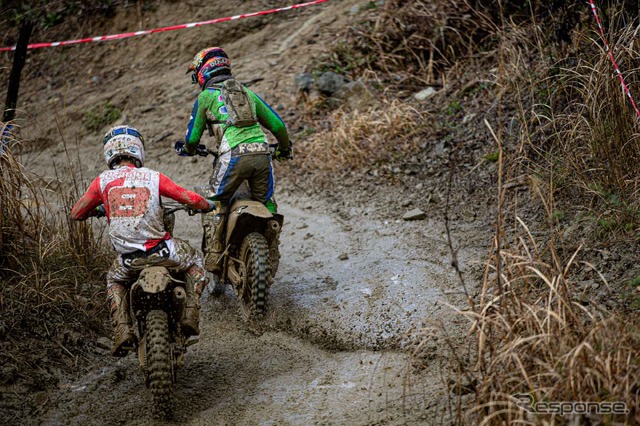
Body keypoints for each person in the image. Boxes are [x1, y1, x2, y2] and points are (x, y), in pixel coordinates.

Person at [71, 125, 214, 357]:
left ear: (109, 154)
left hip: (127, 262)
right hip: (164, 252)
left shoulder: (102, 182)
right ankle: (190, 312)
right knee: (196, 259)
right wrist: (207, 205)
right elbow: (188, 197)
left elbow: (76, 213)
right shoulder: (153, 176)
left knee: (113, 281)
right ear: (138, 150)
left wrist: (97, 208)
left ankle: (122, 330)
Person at [182, 46, 292, 273]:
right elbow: (278, 125)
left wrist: (190, 148)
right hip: (261, 153)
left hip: (232, 156)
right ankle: (271, 250)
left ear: (203, 72)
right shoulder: (247, 93)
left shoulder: (206, 97)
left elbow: (192, 137)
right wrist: (283, 149)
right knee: (267, 202)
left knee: (214, 200)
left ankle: (213, 256)